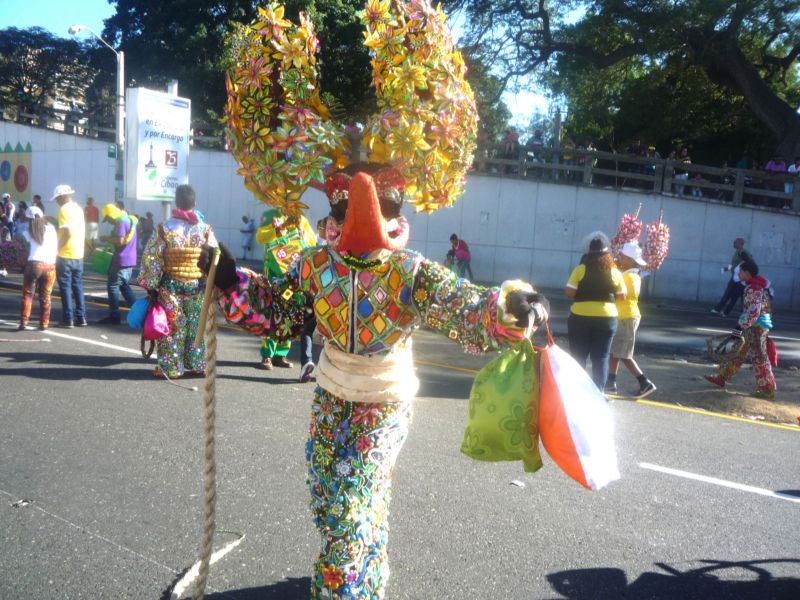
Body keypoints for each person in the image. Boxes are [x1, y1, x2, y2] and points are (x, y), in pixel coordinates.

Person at [198, 162, 549, 600]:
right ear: (334, 216)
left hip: (383, 404)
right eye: (347, 208)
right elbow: (279, 310)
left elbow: (461, 305)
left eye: (379, 206)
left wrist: (507, 308)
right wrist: (230, 277)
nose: (363, 217)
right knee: (330, 499)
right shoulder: (312, 266)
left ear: (394, 215)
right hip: (330, 398)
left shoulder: (411, 272)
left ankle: (345, 590)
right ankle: (366, 569)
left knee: (350, 504)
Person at [137, 184, 218, 379]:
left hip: (170, 285)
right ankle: (198, 363)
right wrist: (210, 281)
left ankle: (171, 368)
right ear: (194, 203)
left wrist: (151, 285)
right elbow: (216, 255)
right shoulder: (205, 229)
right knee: (196, 325)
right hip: (197, 285)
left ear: (176, 202)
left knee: (173, 327)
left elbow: (152, 257)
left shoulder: (164, 228)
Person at [255, 206, 316, 369]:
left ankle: (281, 354)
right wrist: (278, 230)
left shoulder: (301, 218)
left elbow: (311, 242)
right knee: (272, 311)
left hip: (292, 275)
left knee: (291, 312)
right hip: (273, 273)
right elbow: (261, 237)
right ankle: (267, 354)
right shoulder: (270, 214)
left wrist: (303, 235)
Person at [704, 260, 775, 399]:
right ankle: (722, 378)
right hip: (755, 328)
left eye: (741, 272)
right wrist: (739, 329)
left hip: (755, 329)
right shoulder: (758, 286)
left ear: (747, 273)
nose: (739, 274)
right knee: (737, 352)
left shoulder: (753, 288)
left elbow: (752, 313)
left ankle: (767, 390)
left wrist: (738, 329)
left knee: (759, 358)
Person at [565, 231, 626, 390]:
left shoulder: (580, 269)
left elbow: (569, 292)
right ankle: (598, 391)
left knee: (578, 356)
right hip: (607, 318)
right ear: (608, 255)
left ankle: (576, 390)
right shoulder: (614, 272)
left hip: (580, 317)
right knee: (601, 357)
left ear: (589, 254)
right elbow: (623, 296)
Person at [605, 242, 656, 398]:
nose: (620, 258)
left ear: (629, 260)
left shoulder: (627, 277)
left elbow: (616, 291)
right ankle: (610, 383)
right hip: (625, 316)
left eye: (622, 257)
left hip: (626, 317)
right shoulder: (633, 275)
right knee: (616, 352)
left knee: (624, 354)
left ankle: (644, 382)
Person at [51, 184, 87, 328]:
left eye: (57, 198)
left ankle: (68, 319)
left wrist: (57, 248)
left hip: (65, 254)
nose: (56, 201)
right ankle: (81, 317)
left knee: (65, 287)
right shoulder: (78, 208)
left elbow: (68, 233)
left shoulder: (64, 210)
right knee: (77, 286)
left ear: (62, 196)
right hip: (78, 253)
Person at [18, 206, 57, 330]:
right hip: (50, 265)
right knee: (46, 296)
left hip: (34, 264)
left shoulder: (27, 232)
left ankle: (24, 321)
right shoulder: (51, 229)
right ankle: (44, 323)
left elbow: (28, 249)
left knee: (28, 295)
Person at [98, 203, 138, 325]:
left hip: (120, 260)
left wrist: (106, 239)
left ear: (111, 215)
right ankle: (139, 313)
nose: (108, 222)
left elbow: (120, 240)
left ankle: (114, 315)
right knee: (124, 286)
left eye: (107, 219)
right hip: (130, 259)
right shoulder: (130, 219)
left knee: (113, 286)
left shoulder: (121, 222)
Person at [711, 237, 753, 317]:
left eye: (735, 242)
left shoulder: (744, 252)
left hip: (740, 279)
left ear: (741, 244)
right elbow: (734, 264)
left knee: (736, 296)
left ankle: (720, 310)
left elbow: (750, 262)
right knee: (731, 295)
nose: (733, 243)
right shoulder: (736, 253)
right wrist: (727, 268)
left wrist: (746, 275)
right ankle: (719, 309)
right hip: (734, 277)